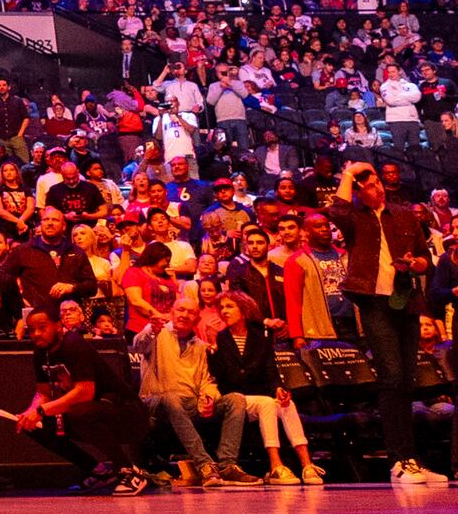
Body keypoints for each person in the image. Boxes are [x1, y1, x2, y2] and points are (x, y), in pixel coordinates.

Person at [321, 160, 445, 486]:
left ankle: (411, 459)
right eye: (363, 183)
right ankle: (398, 460)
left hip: (405, 301)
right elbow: (336, 211)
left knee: (406, 379)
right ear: (358, 190)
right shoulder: (354, 218)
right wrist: (349, 173)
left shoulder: (403, 213)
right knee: (390, 376)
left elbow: (423, 259)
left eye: (372, 179)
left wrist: (415, 263)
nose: (371, 185)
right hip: (373, 302)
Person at [14, 304, 149, 497]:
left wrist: (42, 410)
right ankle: (98, 471)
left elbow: (85, 392)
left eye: (42, 327)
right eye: (31, 330)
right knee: (34, 426)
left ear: (58, 325)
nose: (36, 334)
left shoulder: (73, 345)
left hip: (127, 413)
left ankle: (129, 471)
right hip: (89, 414)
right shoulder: (40, 353)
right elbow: (43, 393)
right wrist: (31, 412)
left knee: (78, 413)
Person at [206, 292, 324, 487]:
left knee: (286, 403)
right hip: (235, 399)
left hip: (259, 396)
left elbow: (271, 371)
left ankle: (307, 464)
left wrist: (278, 388)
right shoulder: (220, 338)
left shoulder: (260, 338)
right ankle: (276, 464)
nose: (224, 311)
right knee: (268, 403)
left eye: (230, 307)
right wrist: (213, 347)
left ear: (243, 311)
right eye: (222, 308)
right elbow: (219, 377)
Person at [138, 299, 250, 490]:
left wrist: (208, 398)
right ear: (171, 312)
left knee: (236, 399)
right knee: (170, 397)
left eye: (190, 312)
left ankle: (227, 465)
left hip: (188, 403)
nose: (184, 315)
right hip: (156, 402)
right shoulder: (157, 333)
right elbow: (139, 344)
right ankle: (205, 465)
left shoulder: (200, 346)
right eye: (180, 309)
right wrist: (152, 330)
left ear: (197, 319)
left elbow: (207, 380)